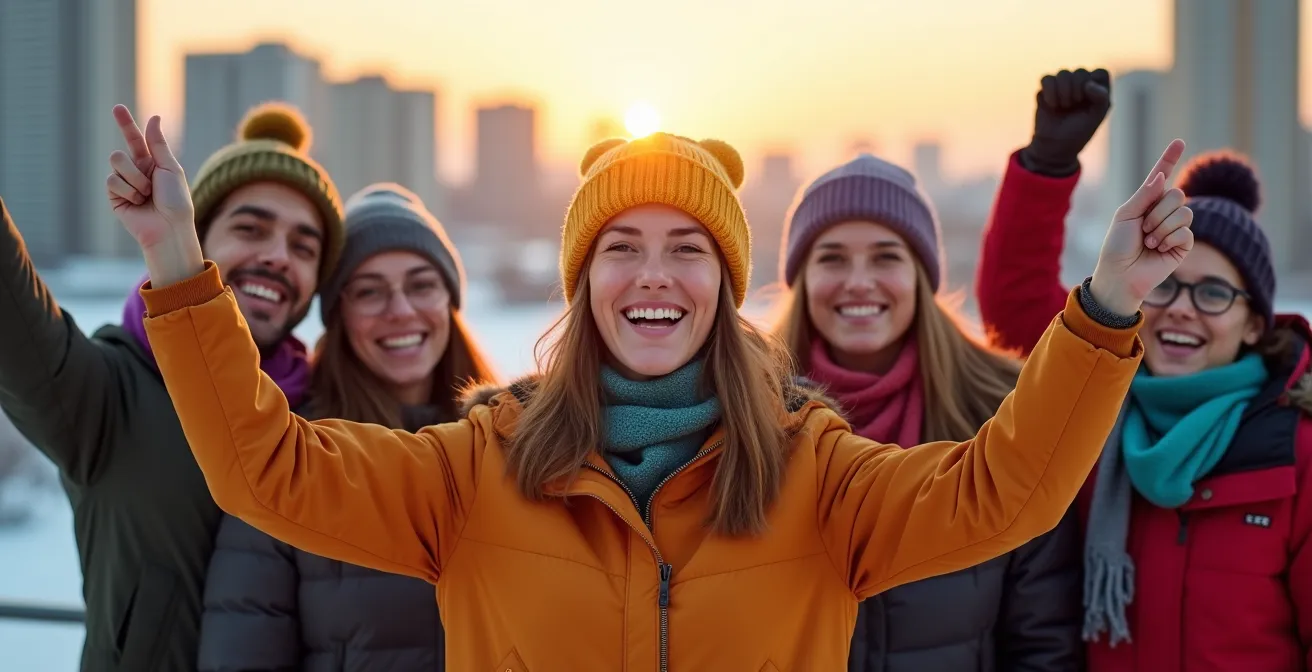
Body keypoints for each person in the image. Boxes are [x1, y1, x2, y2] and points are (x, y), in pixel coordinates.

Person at [110, 105, 1188, 669]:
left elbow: (1006, 492)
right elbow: (265, 469)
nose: (655, 275)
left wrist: (1102, 308)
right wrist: (175, 260)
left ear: (725, 285)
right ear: (585, 285)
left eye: (688, 248)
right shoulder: (473, 467)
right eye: (621, 247)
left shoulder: (819, 476)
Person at [977, 67, 1312, 671]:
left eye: (1214, 294)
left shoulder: (1296, 450)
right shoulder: (1090, 404)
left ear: (1255, 323)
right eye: (1163, 286)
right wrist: (1046, 166)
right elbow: (1016, 308)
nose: (1181, 309)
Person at [0, 102, 343, 671]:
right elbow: (12, 314)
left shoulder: (318, 419)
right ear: (193, 236)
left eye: (304, 247)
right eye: (250, 228)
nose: (278, 257)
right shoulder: (109, 392)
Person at [774, 153, 1082, 671]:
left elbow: (1042, 639)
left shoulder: (1002, 413)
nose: (858, 281)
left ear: (922, 274)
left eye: (886, 257)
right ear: (800, 278)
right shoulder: (751, 414)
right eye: (831, 258)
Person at [197, 183, 496, 671]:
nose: (400, 310)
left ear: (449, 302)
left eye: (421, 284)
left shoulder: (508, 445)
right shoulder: (295, 459)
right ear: (339, 317)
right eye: (369, 291)